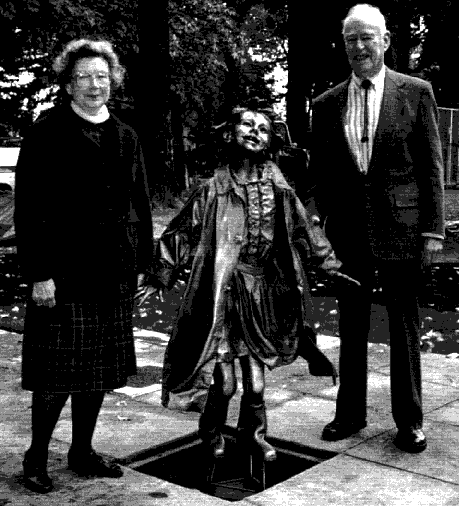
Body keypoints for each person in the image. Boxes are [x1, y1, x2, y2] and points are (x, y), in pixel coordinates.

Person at [151, 97, 350, 464]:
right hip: (224, 292)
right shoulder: (212, 188)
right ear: (229, 133)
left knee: (256, 383)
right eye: (247, 125)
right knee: (225, 384)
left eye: (262, 129)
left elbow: (304, 229)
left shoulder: (279, 188)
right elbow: (180, 232)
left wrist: (328, 262)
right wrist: (161, 270)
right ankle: (210, 431)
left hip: (262, 295)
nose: (255, 133)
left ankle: (253, 435)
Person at [14, 39, 154, 493]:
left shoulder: (126, 135)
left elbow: (140, 205)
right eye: (83, 77)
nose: (94, 85)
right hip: (61, 275)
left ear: (112, 80)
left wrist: (143, 264)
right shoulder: (47, 131)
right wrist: (38, 273)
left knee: (97, 371)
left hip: (111, 273)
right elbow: (28, 209)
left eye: (101, 76)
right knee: (56, 375)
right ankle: (35, 458)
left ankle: (82, 452)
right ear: (68, 83)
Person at [306, 4, 445, 453]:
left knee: (404, 326)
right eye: (351, 39)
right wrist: (320, 230)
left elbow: (431, 167)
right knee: (351, 324)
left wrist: (433, 231)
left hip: (403, 230)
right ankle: (349, 413)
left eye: (367, 37)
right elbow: (322, 176)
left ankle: (410, 421)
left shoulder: (416, 92)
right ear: (343, 46)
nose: (359, 46)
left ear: (385, 41)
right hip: (348, 234)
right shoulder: (326, 104)